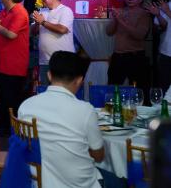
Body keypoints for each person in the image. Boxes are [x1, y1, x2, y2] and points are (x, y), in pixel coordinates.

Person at [18, 51, 125, 188]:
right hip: (80, 184)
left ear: (49, 75)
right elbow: (99, 156)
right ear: (80, 80)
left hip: (38, 181)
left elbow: (25, 146)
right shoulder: (85, 110)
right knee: (122, 181)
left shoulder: (26, 106)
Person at [0, 0, 30, 135]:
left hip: (14, 64)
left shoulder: (20, 12)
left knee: (11, 99)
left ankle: (11, 129)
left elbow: (11, 34)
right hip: (1, 63)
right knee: (1, 97)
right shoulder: (3, 11)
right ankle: (3, 124)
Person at [106, 0, 151, 99]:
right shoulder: (120, 11)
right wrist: (115, 19)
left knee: (139, 92)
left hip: (135, 57)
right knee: (112, 89)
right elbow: (109, 32)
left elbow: (139, 35)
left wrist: (121, 20)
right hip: (118, 56)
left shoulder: (144, 14)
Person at [31, 0, 75, 85]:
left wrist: (43, 22)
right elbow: (33, 32)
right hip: (45, 61)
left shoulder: (65, 10)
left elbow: (62, 29)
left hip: (63, 62)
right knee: (46, 91)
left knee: (62, 91)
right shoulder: (42, 11)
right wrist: (37, 23)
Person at [144, 0, 171, 92]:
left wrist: (167, 11)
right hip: (165, 53)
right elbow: (158, 29)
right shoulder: (165, 5)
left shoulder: (166, 7)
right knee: (164, 87)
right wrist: (158, 15)